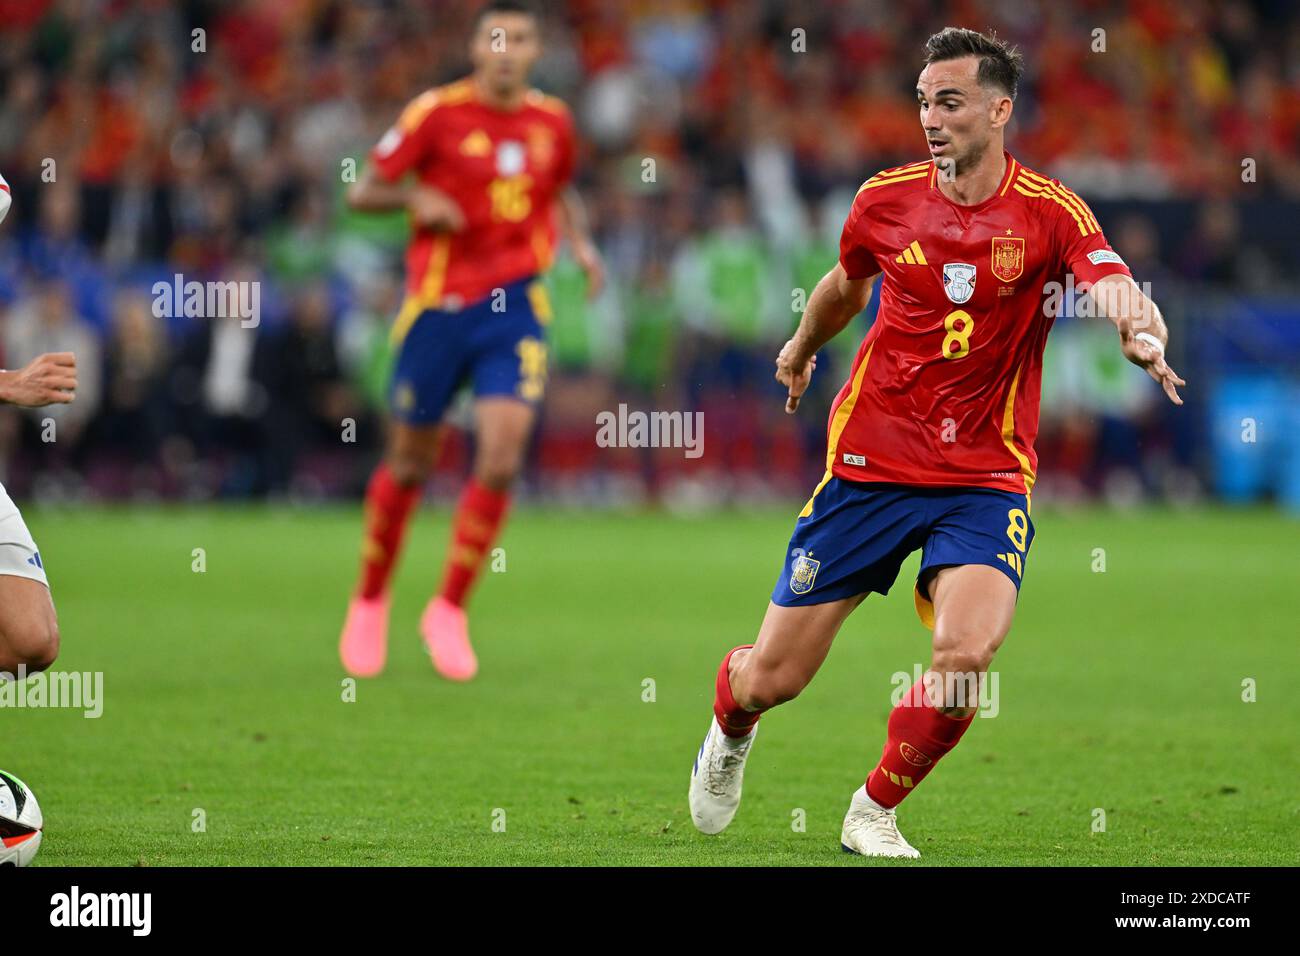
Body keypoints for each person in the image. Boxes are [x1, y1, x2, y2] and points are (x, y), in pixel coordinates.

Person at [687, 27, 1185, 858]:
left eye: (948, 101)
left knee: (967, 651)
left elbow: (1112, 281)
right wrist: (802, 348)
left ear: (1000, 109)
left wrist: (1141, 331)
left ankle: (873, 809)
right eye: (923, 101)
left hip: (984, 475)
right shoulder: (884, 199)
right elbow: (845, 286)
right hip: (872, 464)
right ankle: (731, 723)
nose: (930, 117)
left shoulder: (1049, 212)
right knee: (775, 678)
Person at [338, 0, 603, 680]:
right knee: (409, 465)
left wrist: (581, 243)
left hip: (516, 306)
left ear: (536, 50)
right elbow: (363, 190)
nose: (508, 49)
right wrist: (413, 201)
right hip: (438, 307)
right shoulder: (436, 113)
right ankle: (370, 598)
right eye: (496, 38)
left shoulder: (553, 123)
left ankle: (448, 608)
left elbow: (558, 190)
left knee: (502, 456)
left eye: (520, 38)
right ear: (476, 48)